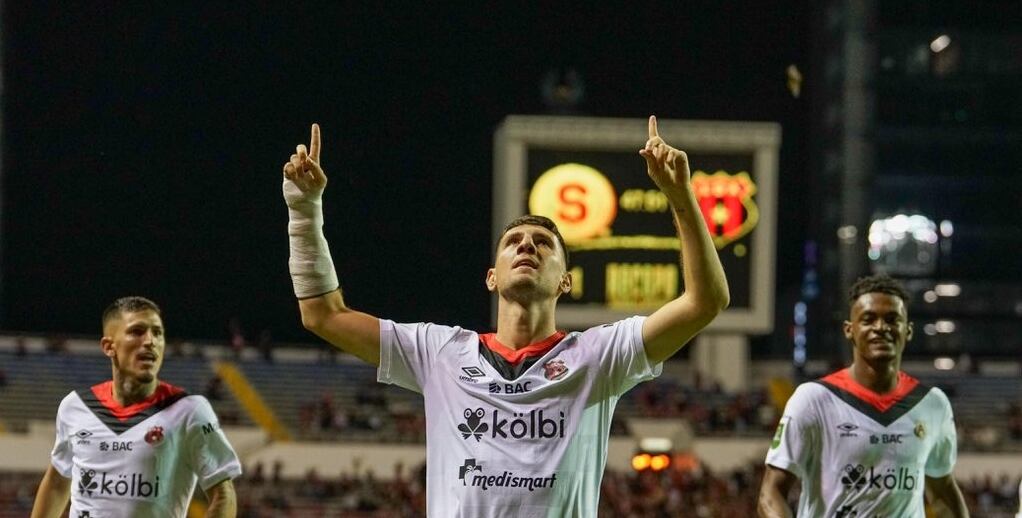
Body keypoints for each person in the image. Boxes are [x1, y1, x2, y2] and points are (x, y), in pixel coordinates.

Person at [280, 116, 729, 516]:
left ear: (565, 281)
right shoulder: (440, 353)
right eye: (514, 241)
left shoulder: (599, 356)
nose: (527, 245)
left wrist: (680, 196)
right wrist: (304, 211)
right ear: (491, 277)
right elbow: (322, 316)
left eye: (543, 243)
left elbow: (705, 302)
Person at [758, 275, 969, 517]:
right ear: (850, 330)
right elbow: (770, 494)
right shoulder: (814, 400)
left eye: (892, 319)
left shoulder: (932, 404)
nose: (881, 327)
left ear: (908, 331)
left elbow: (943, 495)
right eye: (868, 319)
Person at [31, 296, 241, 518]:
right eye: (137, 331)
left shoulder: (189, 411)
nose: (150, 340)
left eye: (157, 333)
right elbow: (57, 482)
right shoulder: (74, 407)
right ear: (109, 347)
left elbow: (224, 495)